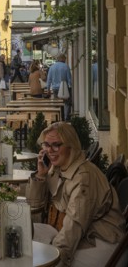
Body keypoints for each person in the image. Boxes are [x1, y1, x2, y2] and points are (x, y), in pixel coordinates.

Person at [26, 122, 126, 267]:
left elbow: (73, 227)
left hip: (102, 242)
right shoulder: (57, 167)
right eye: (46, 144)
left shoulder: (84, 178)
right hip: (81, 234)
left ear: (70, 146)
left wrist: (54, 261)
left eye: (56, 145)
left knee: (38, 258)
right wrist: (40, 176)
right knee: (24, 239)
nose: (50, 150)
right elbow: (34, 207)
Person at [46, 53, 72, 119]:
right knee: (66, 103)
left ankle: (57, 118)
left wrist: (48, 89)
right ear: (63, 59)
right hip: (64, 88)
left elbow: (49, 79)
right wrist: (70, 87)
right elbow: (69, 79)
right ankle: (66, 118)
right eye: (65, 59)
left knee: (57, 103)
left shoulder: (52, 67)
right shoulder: (66, 66)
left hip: (55, 88)